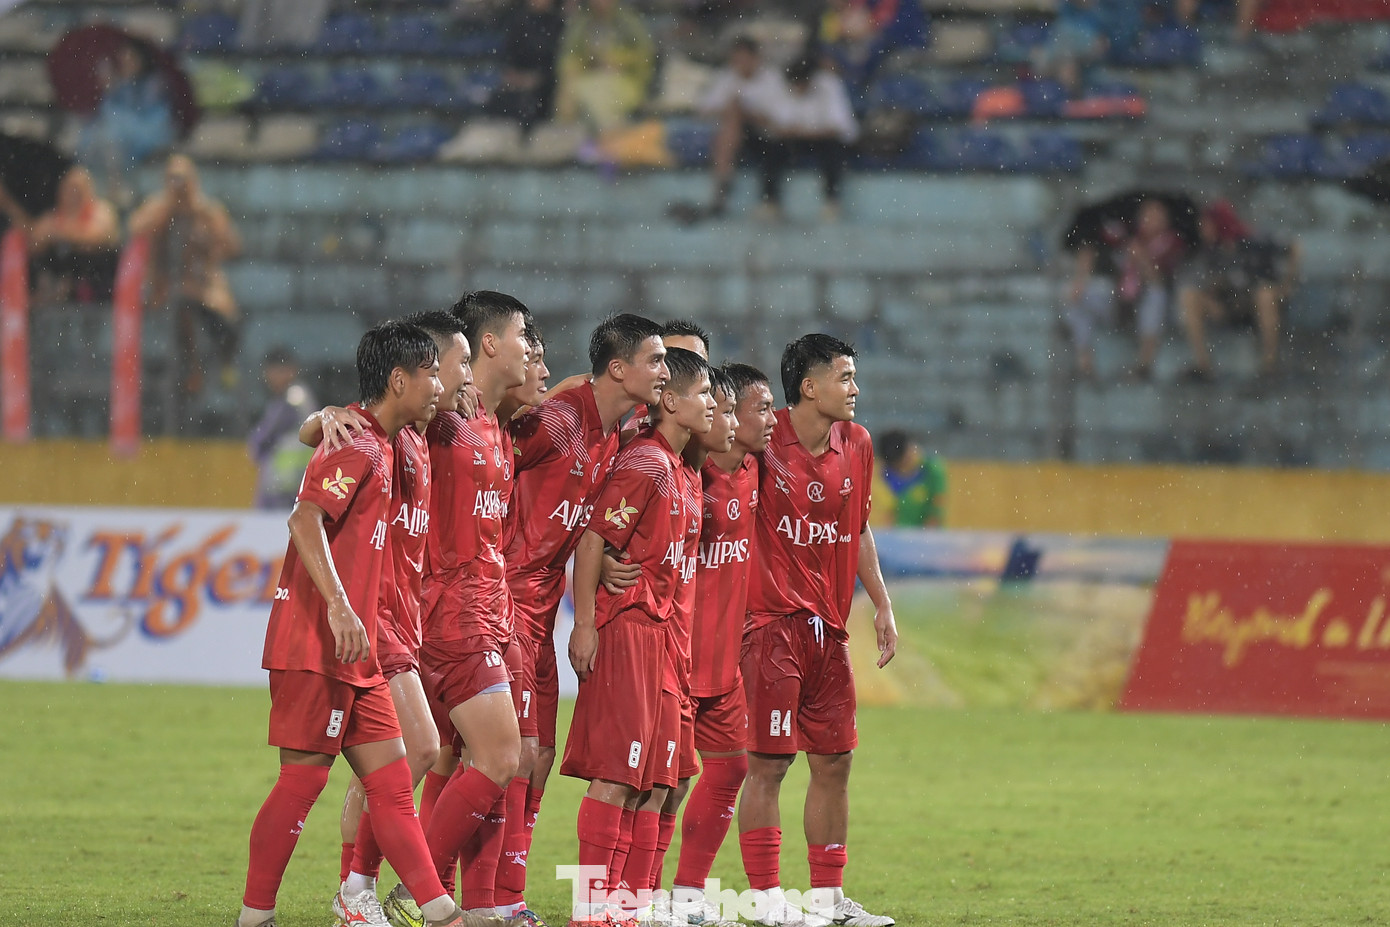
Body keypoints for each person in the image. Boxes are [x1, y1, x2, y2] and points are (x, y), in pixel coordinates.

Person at [237, 319, 470, 927]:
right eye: (430, 374)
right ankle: (254, 915)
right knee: (301, 784)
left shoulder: (384, 442)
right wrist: (340, 608)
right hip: (316, 642)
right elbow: (304, 520)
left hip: (358, 649)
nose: (439, 385)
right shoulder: (359, 445)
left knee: (393, 782)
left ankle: (440, 913)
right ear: (400, 379)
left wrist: (321, 417)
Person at [485, 314, 668, 923]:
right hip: (500, 600)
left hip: (540, 613)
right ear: (619, 369)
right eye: (656, 360)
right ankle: (451, 894)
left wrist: (607, 556)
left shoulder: (614, 435)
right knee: (492, 756)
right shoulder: (559, 421)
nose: (664, 373)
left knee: (532, 759)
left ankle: (506, 898)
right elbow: (487, 448)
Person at [739, 334, 897, 927]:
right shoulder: (758, 437)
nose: (855, 389)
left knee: (835, 762)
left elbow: (856, 530)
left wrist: (880, 603)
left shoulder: (856, 443)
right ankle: (766, 896)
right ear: (809, 386)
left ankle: (828, 902)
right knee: (770, 764)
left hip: (829, 631)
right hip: (771, 626)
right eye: (846, 377)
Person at [561, 347, 714, 927]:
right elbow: (594, 536)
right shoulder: (647, 464)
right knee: (617, 777)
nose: (710, 405)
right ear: (671, 401)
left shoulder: (681, 471)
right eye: (703, 395)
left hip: (664, 639)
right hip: (629, 632)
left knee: (652, 779)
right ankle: (589, 912)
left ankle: (624, 909)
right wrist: (585, 622)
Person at [418, 291, 533, 921]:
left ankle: (384, 890)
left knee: (435, 758)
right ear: (488, 344)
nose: (531, 349)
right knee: (497, 756)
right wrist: (325, 415)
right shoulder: (444, 419)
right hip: (452, 614)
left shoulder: (493, 423)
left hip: (489, 612)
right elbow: (380, 403)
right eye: (522, 337)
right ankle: (418, 891)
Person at [671, 363, 777, 926]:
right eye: (740, 409)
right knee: (662, 782)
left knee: (731, 771)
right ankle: (624, 895)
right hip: (677, 658)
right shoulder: (687, 473)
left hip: (724, 663)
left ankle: (687, 896)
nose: (758, 421)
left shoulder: (755, 471)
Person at [129, 154, 242, 409]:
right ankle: (192, 369)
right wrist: (169, 207)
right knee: (182, 307)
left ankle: (218, 363)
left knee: (220, 315)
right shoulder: (157, 209)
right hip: (168, 290)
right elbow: (136, 229)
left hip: (203, 289)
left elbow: (232, 246)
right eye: (173, 179)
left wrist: (205, 221)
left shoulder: (207, 211)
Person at [1064, 198, 1185, 382]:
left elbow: (1158, 281)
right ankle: (1085, 365)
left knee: (1156, 295)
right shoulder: (1127, 236)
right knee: (1079, 298)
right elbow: (1088, 245)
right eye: (1147, 215)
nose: (1151, 220)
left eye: (1157, 216)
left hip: (1159, 310)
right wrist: (1080, 280)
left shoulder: (1171, 242)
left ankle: (1144, 367)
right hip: (1121, 300)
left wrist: (1141, 259)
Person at [1178, 199, 1298, 382]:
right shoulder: (1210, 251)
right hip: (1229, 305)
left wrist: (1288, 284)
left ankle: (1269, 365)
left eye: (1205, 224)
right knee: (1188, 296)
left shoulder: (1253, 241)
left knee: (1265, 294)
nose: (1201, 229)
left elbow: (1295, 247)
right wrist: (1212, 296)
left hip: (1257, 304)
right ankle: (1203, 364)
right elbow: (1207, 282)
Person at [0, 166, 120, 306]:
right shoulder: (53, 217)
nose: (73, 194)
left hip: (95, 284)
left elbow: (101, 236)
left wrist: (60, 234)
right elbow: (33, 240)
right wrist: (7, 204)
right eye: (69, 189)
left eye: (77, 189)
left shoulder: (101, 211)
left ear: (88, 191)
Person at [700, 36, 790, 219]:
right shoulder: (726, 77)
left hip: (769, 138)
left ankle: (723, 186)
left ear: (755, 58)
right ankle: (723, 181)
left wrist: (747, 112)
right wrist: (731, 108)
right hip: (738, 137)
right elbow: (704, 110)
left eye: (743, 59)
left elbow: (782, 120)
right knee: (732, 120)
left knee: (738, 119)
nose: (739, 64)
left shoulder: (772, 79)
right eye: (736, 60)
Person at [76, 39, 175, 199]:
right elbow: (105, 111)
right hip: (118, 136)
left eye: (130, 58)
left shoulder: (153, 82)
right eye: (123, 59)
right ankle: (113, 182)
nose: (126, 63)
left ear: (141, 59)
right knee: (105, 132)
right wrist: (110, 87)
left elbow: (149, 111)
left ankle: (118, 183)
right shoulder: (120, 83)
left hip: (148, 129)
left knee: (112, 130)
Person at [555, 0, 655, 132]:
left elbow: (644, 55)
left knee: (596, 96)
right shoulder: (582, 23)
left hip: (625, 80)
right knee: (572, 91)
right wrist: (578, 67)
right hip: (588, 78)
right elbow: (569, 56)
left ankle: (609, 137)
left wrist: (616, 59)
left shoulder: (628, 22)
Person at [247, 346, 317, 511]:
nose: (270, 377)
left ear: (291, 371)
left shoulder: (293, 399)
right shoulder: (289, 398)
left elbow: (261, 441)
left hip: (289, 487)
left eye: (276, 371)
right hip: (286, 486)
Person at [491, 0, 566, 133]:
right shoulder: (517, 22)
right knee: (498, 100)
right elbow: (509, 56)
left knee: (530, 103)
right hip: (519, 81)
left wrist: (536, 79)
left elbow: (558, 61)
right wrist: (516, 77)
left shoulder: (558, 24)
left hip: (547, 84)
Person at [820, 0, 928, 90]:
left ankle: (858, 84)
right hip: (865, 46)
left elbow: (903, 29)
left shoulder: (905, 4)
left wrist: (870, 26)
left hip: (901, 48)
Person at [872, 430, 946, 527]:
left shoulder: (932, 469)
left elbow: (936, 511)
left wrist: (925, 537)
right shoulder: (882, 476)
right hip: (896, 536)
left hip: (925, 536)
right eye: (899, 465)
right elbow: (886, 517)